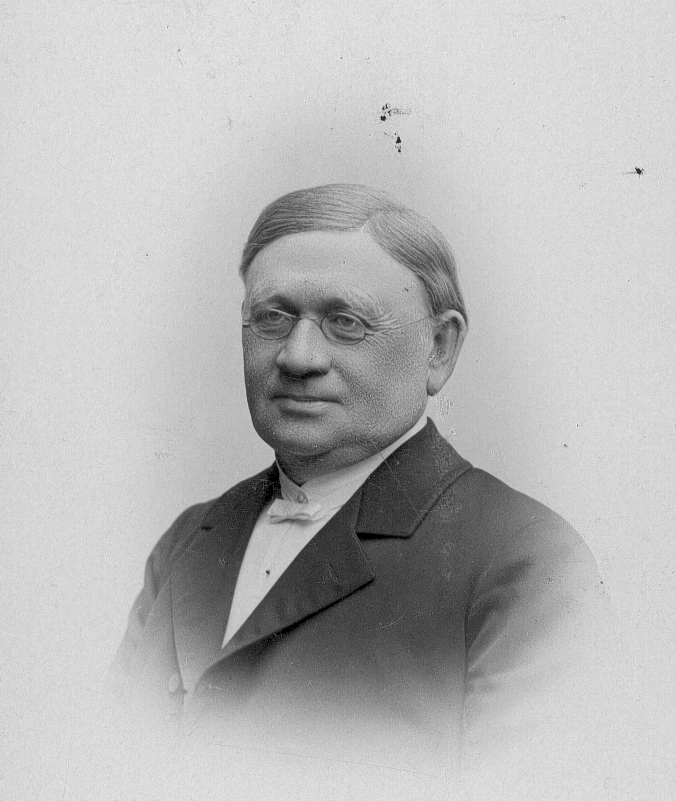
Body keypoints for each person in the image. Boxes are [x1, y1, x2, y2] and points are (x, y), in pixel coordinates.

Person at [111, 183, 606, 771]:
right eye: (272, 318)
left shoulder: (525, 560)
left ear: (439, 348)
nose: (298, 357)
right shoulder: (191, 538)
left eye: (345, 322)